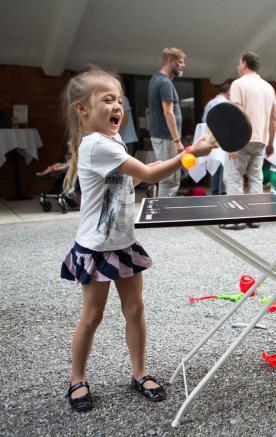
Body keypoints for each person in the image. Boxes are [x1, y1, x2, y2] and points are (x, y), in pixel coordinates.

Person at [59, 68, 215, 412]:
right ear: (82, 108)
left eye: (119, 100)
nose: (117, 107)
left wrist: (172, 161)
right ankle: (76, 378)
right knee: (92, 316)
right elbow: (147, 174)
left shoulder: (113, 140)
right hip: (97, 247)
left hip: (123, 242)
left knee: (135, 309)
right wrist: (191, 153)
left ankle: (140, 371)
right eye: (107, 100)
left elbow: (132, 179)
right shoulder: (96, 145)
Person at [225, 52, 276, 229]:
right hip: (261, 139)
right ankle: (254, 218)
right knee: (256, 177)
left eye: (239, 63)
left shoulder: (238, 84)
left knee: (234, 177)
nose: (237, 66)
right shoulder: (269, 87)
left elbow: (235, 114)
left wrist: (230, 141)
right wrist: (270, 141)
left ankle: (236, 218)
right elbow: (273, 118)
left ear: (245, 63)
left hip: (241, 138)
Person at [147, 47, 186, 197]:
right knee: (170, 179)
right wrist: (177, 140)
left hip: (161, 136)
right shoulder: (165, 83)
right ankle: (166, 216)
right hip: (167, 138)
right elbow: (168, 112)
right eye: (180, 62)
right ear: (170, 61)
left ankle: (163, 213)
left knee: (166, 177)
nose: (183, 65)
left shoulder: (156, 79)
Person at [202, 81, 230, 195]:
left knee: (215, 164)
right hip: (224, 137)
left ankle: (214, 190)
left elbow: (204, 121)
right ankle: (223, 192)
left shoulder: (210, 103)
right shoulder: (228, 103)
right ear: (228, 91)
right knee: (224, 164)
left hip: (211, 137)